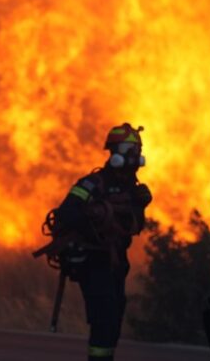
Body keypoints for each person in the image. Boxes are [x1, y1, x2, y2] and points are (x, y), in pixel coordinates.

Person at [51, 123, 152, 361]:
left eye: (136, 149)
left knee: (114, 318)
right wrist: (95, 217)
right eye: (128, 149)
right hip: (93, 261)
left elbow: (135, 226)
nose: (133, 155)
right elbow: (66, 213)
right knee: (104, 319)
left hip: (116, 264)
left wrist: (139, 205)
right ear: (114, 152)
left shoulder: (133, 190)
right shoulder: (92, 184)